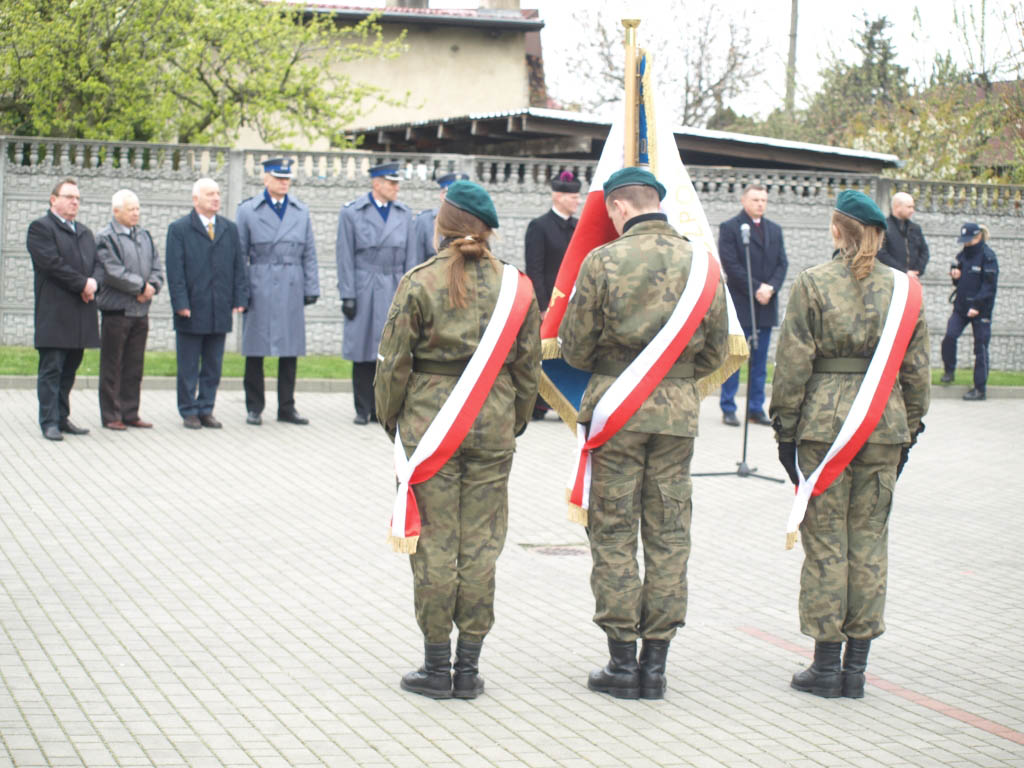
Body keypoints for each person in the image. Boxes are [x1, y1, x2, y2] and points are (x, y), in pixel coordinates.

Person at [559, 167, 728, 700]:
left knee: (613, 532)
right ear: (657, 202)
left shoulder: (602, 261)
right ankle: (655, 664)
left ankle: (621, 661)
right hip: (676, 415)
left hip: (617, 411)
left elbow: (574, 347)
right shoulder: (703, 263)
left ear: (619, 207)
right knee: (669, 533)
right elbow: (716, 351)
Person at [375, 180, 540, 700]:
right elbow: (529, 367)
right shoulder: (517, 286)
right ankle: (468, 669)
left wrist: (392, 421)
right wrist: (514, 418)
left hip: (430, 427)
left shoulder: (420, 281)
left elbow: (393, 362)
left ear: (443, 226)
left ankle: (434, 667)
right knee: (481, 547)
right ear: (487, 229)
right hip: (493, 424)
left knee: (433, 546)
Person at [769, 190, 930, 699]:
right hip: (883, 426)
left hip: (824, 429)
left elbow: (793, 362)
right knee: (869, 544)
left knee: (825, 545)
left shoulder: (814, 283)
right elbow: (917, 372)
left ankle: (825, 666)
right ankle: (856, 667)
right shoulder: (905, 291)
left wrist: (785, 428)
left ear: (838, 230)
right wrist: (910, 428)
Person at [237, 158, 320, 426]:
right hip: (259, 282)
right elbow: (239, 254)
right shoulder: (248, 210)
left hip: (291, 283)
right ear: (266, 179)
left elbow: (309, 252)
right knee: (255, 349)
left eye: (287, 179)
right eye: (279, 178)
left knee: (290, 349)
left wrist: (311, 287)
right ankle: (254, 407)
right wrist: (241, 291)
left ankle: (287, 406)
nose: (284, 183)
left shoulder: (300, 210)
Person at [336, 161, 417, 425]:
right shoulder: (352, 212)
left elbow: (411, 259)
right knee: (362, 351)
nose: (396, 188)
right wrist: (348, 294)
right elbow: (345, 256)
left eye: (397, 183)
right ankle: (362, 408)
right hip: (364, 285)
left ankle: (384, 408)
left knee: (391, 352)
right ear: (376, 184)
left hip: (393, 284)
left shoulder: (404, 214)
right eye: (391, 183)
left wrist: (411, 294)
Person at [165, 178, 249, 429]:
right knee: (189, 365)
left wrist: (239, 298)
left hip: (219, 306)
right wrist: (180, 303)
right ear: (196, 199)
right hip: (192, 307)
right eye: (210, 194)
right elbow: (175, 271)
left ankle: (206, 408)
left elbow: (238, 266)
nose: (216, 198)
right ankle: (188, 409)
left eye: (218, 193)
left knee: (213, 364)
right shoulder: (179, 229)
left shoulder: (228, 229)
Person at [27, 178, 102, 441]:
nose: (74, 202)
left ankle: (62, 417)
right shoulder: (41, 228)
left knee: (70, 369)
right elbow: (52, 264)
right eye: (69, 197)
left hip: (81, 313)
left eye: (77, 198)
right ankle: (49, 421)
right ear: (53, 199)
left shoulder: (84, 232)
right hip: (55, 314)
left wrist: (94, 283)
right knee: (52, 370)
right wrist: (83, 284)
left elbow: (98, 264)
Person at [718, 184, 787, 427]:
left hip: (766, 304)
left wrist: (771, 288)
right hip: (742, 302)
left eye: (763, 200)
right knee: (735, 357)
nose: (760, 204)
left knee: (760, 362)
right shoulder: (730, 228)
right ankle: (728, 406)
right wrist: (757, 288)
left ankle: (756, 408)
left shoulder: (775, 230)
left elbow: (782, 264)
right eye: (755, 199)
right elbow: (731, 264)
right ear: (744, 201)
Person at [95, 189, 163, 430]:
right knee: (112, 366)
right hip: (117, 311)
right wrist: (140, 287)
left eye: (137, 209)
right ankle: (111, 415)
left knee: (134, 366)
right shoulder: (105, 237)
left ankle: (130, 412)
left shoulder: (144, 235)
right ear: (116, 211)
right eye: (131, 209)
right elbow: (113, 272)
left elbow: (157, 267)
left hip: (140, 310)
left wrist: (153, 286)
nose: (136, 213)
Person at [525, 170, 581, 420]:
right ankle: (538, 404)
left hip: (574, 303)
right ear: (557, 197)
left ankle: (565, 404)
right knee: (544, 353)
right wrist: (542, 304)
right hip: (549, 302)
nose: (578, 201)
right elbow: (534, 268)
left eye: (578, 197)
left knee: (570, 354)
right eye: (573, 197)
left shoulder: (579, 228)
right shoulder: (539, 226)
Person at [940, 222, 998, 401]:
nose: (965, 243)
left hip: (981, 310)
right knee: (950, 337)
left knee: (980, 348)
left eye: (968, 239)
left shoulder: (988, 257)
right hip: (961, 307)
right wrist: (955, 277)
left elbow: (989, 287)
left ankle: (980, 389)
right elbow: (961, 280)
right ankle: (949, 371)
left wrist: (977, 306)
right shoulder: (963, 255)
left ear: (978, 237)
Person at [412, 172, 468, 265]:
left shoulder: (473, 223)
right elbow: (415, 261)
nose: (456, 198)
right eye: (451, 193)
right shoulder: (424, 221)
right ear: (442, 195)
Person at [876, 192, 929, 276]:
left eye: (913, 207)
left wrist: (917, 271)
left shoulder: (915, 228)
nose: (912, 210)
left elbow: (924, 251)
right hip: (890, 277)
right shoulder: (883, 227)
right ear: (897, 207)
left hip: (912, 277)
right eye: (909, 207)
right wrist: (903, 271)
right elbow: (881, 253)